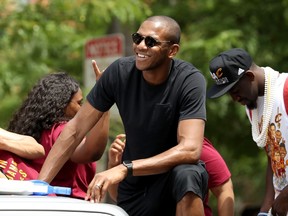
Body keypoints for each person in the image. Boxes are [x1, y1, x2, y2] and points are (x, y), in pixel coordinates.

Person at [38, 15, 208, 216]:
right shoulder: (119, 73)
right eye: (138, 38)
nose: (141, 46)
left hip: (171, 184)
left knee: (188, 174)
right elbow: (75, 129)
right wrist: (39, 188)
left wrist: (124, 168)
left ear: (172, 51)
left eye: (151, 41)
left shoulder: (189, 80)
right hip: (135, 188)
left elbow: (190, 149)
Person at [207, 48, 288, 216]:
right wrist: (265, 210)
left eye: (235, 91)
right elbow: (272, 158)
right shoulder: (253, 107)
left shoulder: (285, 90)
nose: (234, 99)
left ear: (249, 76)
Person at [7, 71, 109, 199]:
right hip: (66, 206)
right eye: (79, 103)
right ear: (62, 104)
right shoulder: (62, 131)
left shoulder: (34, 133)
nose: (81, 109)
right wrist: (105, 97)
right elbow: (91, 152)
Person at [108, 134, 234, 216]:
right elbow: (118, 196)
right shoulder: (134, 146)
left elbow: (224, 189)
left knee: (186, 176)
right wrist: (114, 164)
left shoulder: (192, 146)